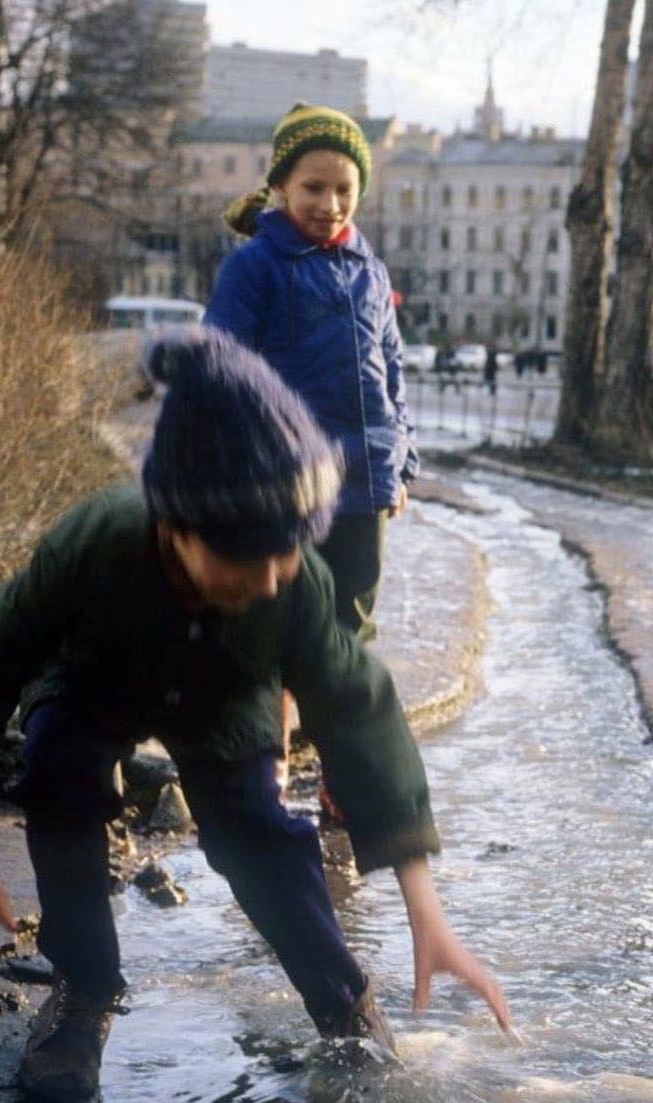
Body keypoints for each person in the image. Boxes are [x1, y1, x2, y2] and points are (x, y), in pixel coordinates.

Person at [0, 328, 510, 1103]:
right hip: (96, 677)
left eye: (287, 553)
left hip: (227, 691)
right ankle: (84, 990)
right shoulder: (98, 544)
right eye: (244, 557)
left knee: (255, 832)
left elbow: (360, 709)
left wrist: (425, 909)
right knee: (57, 768)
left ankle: (346, 1008)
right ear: (175, 524)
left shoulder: (289, 587)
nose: (269, 579)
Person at [205, 104, 414, 791]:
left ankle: (339, 773)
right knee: (276, 622)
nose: (329, 205)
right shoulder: (256, 266)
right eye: (313, 188)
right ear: (280, 189)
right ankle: (266, 761)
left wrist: (401, 459)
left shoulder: (369, 271)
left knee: (347, 627)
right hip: (286, 485)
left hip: (364, 484)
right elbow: (222, 370)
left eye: (343, 190)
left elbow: (392, 369)